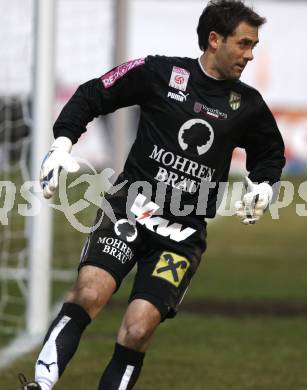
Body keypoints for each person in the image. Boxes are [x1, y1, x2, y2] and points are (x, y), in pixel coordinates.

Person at [19, 1, 285, 389]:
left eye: (253, 45)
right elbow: (94, 94)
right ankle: (39, 385)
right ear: (215, 40)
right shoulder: (161, 73)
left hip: (181, 235)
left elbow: (270, 153)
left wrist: (263, 184)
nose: (250, 54)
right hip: (127, 210)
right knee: (89, 291)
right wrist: (62, 144)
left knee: (138, 328)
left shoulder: (247, 105)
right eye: (244, 44)